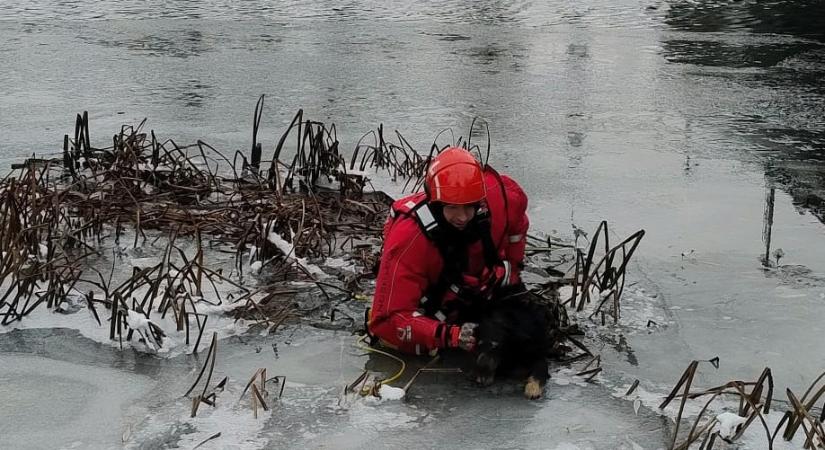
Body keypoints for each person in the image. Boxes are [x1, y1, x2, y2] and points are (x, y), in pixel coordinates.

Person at [367, 146, 529, 355]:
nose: (462, 217)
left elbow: (518, 221)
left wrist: (512, 269)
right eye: (452, 207)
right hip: (431, 286)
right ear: (436, 204)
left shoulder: (498, 198)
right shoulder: (409, 239)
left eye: (469, 207)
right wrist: (449, 336)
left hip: (468, 278)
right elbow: (385, 322)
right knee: (407, 344)